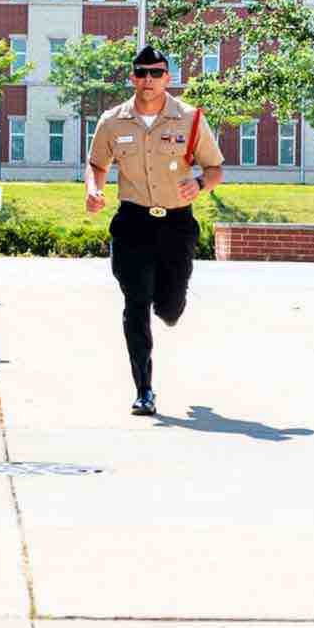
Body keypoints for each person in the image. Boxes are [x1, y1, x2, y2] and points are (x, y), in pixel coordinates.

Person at [84, 44, 223, 416]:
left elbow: (214, 169)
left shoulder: (190, 118)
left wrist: (200, 184)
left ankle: (172, 307)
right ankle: (144, 388)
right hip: (132, 223)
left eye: (156, 72)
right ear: (132, 77)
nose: (149, 79)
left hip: (177, 225)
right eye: (142, 72)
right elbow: (97, 164)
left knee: (170, 305)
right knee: (136, 303)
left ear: (168, 77)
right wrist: (93, 190)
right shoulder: (112, 121)